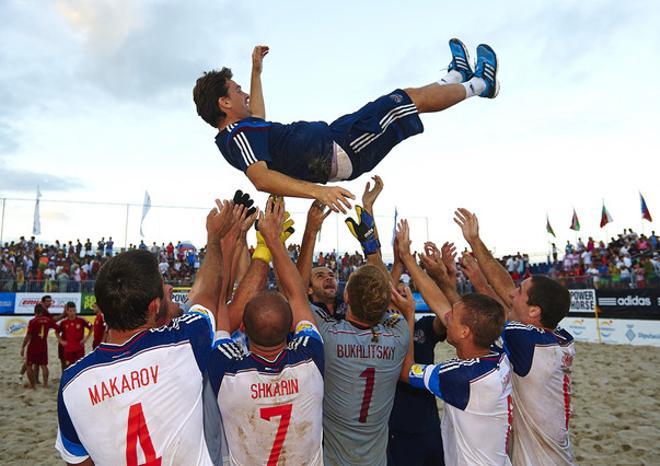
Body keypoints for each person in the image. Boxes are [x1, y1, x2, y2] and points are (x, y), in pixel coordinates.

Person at [193, 39, 499, 213]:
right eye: (236, 90)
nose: (243, 93)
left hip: (336, 136)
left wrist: (256, 72)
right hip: (342, 151)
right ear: (224, 104)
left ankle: (457, 77)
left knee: (403, 98)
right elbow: (260, 179)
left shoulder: (244, 130)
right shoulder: (235, 136)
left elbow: (258, 118)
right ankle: (481, 84)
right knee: (405, 100)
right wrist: (318, 193)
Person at [55, 199, 235, 465]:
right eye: (163, 286)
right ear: (154, 306)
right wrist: (214, 237)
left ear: (101, 310)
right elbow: (209, 291)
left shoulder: (71, 383)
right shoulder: (183, 343)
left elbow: (79, 461)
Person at [453, 208, 576, 465]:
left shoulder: (528, 343)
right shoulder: (558, 338)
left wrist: (476, 242)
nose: (513, 294)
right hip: (556, 454)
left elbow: (502, 294)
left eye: (521, 292)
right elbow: (504, 298)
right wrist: (479, 280)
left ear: (534, 311)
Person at [208, 197, 325, 465]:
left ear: (243, 328)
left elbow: (220, 304)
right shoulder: (310, 358)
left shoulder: (226, 367)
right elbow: (297, 296)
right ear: (291, 328)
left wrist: (230, 240)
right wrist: (274, 242)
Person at [395, 219, 512, 465]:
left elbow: (406, 371)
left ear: (465, 332)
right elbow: (446, 305)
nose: (445, 316)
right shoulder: (499, 355)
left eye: (452, 318)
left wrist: (408, 316)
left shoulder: (458, 376)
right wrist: (412, 262)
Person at [20, 303, 59, 389]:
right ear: (42, 312)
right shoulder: (48, 320)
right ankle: (45, 384)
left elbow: (28, 336)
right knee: (44, 365)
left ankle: (32, 385)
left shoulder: (32, 321)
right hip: (43, 345)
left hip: (33, 345)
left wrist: (23, 346)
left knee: (29, 365)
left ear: (35, 312)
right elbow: (58, 328)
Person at [57, 302, 92, 369]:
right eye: (70, 311)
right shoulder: (63, 322)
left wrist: (86, 339)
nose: (72, 313)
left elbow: (91, 327)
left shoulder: (81, 320)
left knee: (80, 367)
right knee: (68, 367)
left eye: (74, 311)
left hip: (79, 348)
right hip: (68, 349)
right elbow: (57, 331)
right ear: (67, 311)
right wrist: (61, 341)